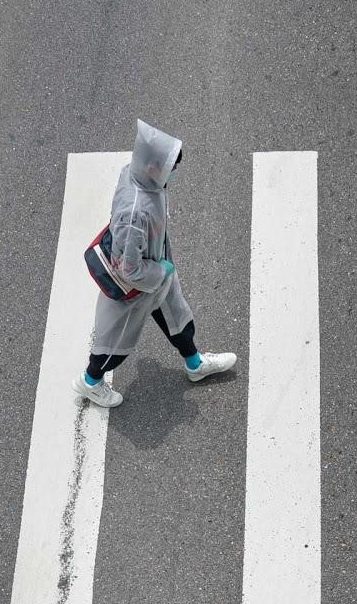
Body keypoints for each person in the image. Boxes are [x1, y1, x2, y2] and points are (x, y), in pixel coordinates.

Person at [77, 120, 237, 407]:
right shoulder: (134, 213)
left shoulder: (136, 175)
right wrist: (161, 270)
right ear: (153, 167)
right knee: (114, 342)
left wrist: (162, 270)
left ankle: (194, 363)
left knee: (177, 316)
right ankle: (89, 382)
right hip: (138, 284)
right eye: (169, 168)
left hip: (156, 271)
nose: (172, 173)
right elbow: (130, 269)